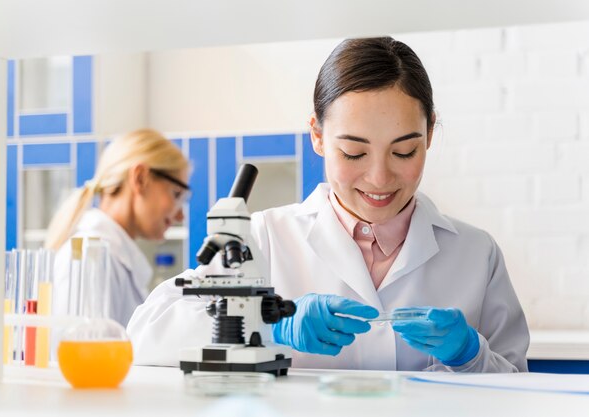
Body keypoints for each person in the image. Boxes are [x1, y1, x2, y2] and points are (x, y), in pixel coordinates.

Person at [127, 37, 529, 372]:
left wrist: (470, 355)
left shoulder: (476, 254)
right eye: (354, 153)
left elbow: (520, 393)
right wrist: (269, 320)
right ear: (317, 136)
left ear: (428, 134)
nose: (379, 178)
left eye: (404, 151)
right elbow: (145, 337)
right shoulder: (263, 239)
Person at [46, 129, 190, 327]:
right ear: (140, 178)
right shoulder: (91, 255)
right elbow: (85, 352)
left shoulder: (111, 255)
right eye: (176, 194)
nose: (180, 215)